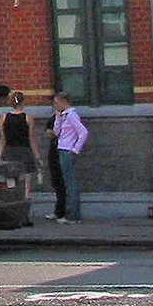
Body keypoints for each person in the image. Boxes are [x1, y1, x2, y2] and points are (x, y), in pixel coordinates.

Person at [48, 91, 89, 223]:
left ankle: (73, 215)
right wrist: (58, 117)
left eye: (56, 103)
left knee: (70, 184)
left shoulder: (72, 115)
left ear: (63, 101)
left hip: (67, 150)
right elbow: (56, 132)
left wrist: (75, 149)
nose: (55, 105)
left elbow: (83, 132)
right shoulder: (64, 116)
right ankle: (71, 214)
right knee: (67, 182)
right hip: (62, 149)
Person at [0, 89, 38, 221]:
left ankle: (13, 213)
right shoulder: (28, 118)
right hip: (25, 151)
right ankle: (25, 214)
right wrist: (37, 155)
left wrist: (0, 156)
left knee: (11, 183)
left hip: (10, 152)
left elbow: (3, 139)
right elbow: (31, 139)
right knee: (26, 184)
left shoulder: (4, 118)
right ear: (23, 101)